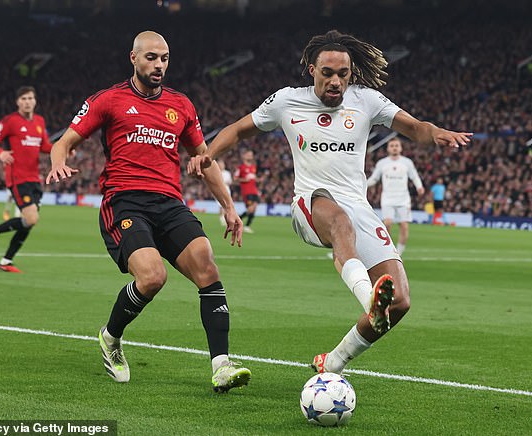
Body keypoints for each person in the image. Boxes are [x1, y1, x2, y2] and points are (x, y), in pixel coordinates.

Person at [188, 30, 472, 376]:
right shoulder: (287, 101)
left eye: (343, 74)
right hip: (311, 203)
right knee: (338, 221)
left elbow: (414, 127)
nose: (336, 81)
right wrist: (208, 155)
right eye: (328, 73)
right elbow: (238, 129)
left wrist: (436, 132)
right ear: (312, 70)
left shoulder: (367, 100)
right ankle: (368, 298)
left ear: (351, 74)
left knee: (399, 301)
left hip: (359, 208)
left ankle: (334, 361)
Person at [46, 31, 251, 393]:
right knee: (153, 277)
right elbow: (64, 142)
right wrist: (58, 163)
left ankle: (221, 366)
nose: (159, 65)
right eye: (152, 58)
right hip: (124, 200)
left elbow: (204, 159)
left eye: (165, 59)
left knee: (207, 265)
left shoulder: (181, 106)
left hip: (169, 203)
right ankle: (111, 338)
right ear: (134, 59)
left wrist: (229, 207)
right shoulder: (109, 100)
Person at [0, 86, 53, 273]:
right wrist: (1, 153)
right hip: (18, 178)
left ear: (35, 101)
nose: (28, 101)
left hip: (34, 179)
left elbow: (44, 146)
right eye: (24, 98)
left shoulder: (39, 121)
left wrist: (62, 149)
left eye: (31, 98)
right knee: (31, 218)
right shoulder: (10, 121)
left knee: (30, 222)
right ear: (18, 102)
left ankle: (6, 261)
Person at [367, 137, 424, 255]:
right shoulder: (382, 163)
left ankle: (399, 253)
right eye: (392, 146)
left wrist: (419, 186)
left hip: (403, 199)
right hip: (388, 198)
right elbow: (374, 178)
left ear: (401, 148)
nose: (394, 148)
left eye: (396, 146)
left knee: (404, 226)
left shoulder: (407, 162)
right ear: (388, 148)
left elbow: (414, 176)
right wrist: (364, 185)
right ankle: (388, 251)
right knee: (387, 224)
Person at [234, 149, 259, 233]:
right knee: (250, 208)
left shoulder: (253, 167)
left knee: (254, 208)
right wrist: (245, 179)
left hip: (254, 191)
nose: (250, 156)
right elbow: (235, 178)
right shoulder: (241, 168)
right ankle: (240, 221)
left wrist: (258, 179)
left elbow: (253, 179)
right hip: (246, 192)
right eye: (248, 154)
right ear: (244, 156)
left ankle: (246, 225)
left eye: (251, 155)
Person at [217, 159, 233, 226]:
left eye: (222, 164)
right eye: (220, 164)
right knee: (220, 204)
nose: (221, 166)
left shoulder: (227, 173)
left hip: (226, 189)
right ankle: (221, 218)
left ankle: (226, 217)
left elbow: (230, 181)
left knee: (227, 204)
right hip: (218, 190)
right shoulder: (216, 172)